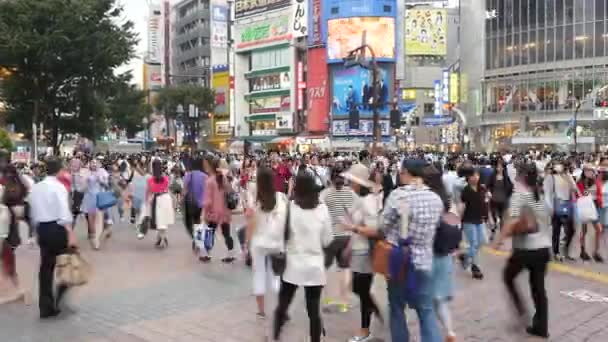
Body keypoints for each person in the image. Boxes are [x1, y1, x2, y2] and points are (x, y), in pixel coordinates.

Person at [382, 159, 443, 342]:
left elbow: (383, 226)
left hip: (400, 260)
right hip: (424, 260)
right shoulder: (435, 198)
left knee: (397, 308)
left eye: (401, 172)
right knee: (425, 309)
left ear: (407, 172)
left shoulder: (398, 196)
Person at [273, 172, 333, 342]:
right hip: (314, 267)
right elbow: (327, 239)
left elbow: (280, 234)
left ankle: (275, 335)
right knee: (313, 311)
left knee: (283, 306)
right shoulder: (322, 209)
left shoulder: (290, 208)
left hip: (293, 265)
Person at [495, 162, 551, 339]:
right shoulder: (541, 195)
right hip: (543, 249)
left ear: (521, 177)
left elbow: (511, 221)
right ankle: (541, 327)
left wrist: (499, 240)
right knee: (538, 288)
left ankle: (521, 313)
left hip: (525, 250)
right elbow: (550, 215)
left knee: (508, 277)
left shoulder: (520, 196)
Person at [340, 163, 383, 342]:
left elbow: (374, 230)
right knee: (359, 288)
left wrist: (352, 227)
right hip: (358, 251)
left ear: (359, 183)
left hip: (366, 252)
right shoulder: (361, 200)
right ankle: (372, 311)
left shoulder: (368, 202)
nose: (349, 184)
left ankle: (365, 330)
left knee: (361, 289)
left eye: (351, 181)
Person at [29, 157, 77, 318]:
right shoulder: (59, 187)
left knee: (46, 268)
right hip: (57, 227)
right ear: (59, 170)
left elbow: (33, 212)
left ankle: (45, 306)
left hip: (42, 228)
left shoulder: (36, 188)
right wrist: (70, 232)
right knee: (69, 263)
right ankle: (60, 298)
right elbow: (64, 213)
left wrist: (36, 231)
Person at [245, 166, 286, 319]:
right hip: (276, 242)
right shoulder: (281, 197)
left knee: (259, 275)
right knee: (276, 277)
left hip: (258, 243)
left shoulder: (255, 201)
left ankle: (261, 310)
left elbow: (250, 225)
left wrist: (245, 245)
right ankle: (281, 309)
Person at [321, 165, 355, 313]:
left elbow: (319, 214)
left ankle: (329, 299)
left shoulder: (325, 194)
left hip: (330, 236)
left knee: (328, 268)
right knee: (345, 269)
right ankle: (344, 302)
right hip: (347, 236)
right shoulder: (351, 193)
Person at [202, 156, 235, 263]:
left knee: (209, 233)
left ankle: (207, 255)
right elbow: (230, 192)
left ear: (212, 167)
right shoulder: (224, 179)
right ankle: (230, 254)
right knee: (227, 233)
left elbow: (208, 200)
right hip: (225, 212)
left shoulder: (210, 181)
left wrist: (205, 213)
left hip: (213, 213)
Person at [543, 160, 578, 261]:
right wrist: (550, 208)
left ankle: (565, 249)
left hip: (568, 205)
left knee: (571, 230)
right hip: (556, 205)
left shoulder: (567, 176)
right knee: (556, 231)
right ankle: (556, 252)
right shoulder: (551, 177)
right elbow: (547, 194)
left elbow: (574, 188)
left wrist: (568, 177)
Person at [459, 169, 486, 279]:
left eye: (477, 175)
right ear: (468, 178)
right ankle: (475, 267)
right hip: (468, 220)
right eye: (472, 176)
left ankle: (466, 257)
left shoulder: (482, 188)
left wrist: (485, 216)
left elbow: (484, 202)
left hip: (479, 220)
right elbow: (462, 206)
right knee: (474, 243)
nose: (475, 177)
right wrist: (459, 222)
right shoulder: (466, 190)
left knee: (482, 241)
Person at [576, 164, 604, 262]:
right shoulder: (580, 182)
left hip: (594, 209)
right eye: (586, 170)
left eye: (590, 170)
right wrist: (584, 193)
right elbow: (577, 195)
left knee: (599, 229)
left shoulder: (596, 182)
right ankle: (582, 251)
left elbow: (599, 194)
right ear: (583, 172)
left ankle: (595, 252)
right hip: (584, 209)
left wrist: (598, 201)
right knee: (584, 231)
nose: (588, 172)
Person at [81, 159, 109, 250]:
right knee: (91, 220)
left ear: (99, 164)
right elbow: (82, 188)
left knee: (99, 219)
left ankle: (97, 239)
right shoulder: (86, 172)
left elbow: (107, 185)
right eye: (92, 162)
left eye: (96, 163)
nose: (94, 164)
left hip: (99, 198)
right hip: (89, 198)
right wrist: (86, 181)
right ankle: (93, 238)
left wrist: (101, 181)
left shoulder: (102, 172)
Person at [145, 159, 175, 248]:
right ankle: (160, 238)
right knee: (163, 220)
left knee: (159, 220)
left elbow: (148, 192)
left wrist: (146, 201)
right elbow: (168, 188)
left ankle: (162, 238)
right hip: (166, 198)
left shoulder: (150, 180)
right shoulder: (165, 178)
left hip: (157, 200)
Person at [183, 157, 207, 250]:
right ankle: (198, 239)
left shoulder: (189, 175)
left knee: (192, 222)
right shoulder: (205, 176)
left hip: (191, 202)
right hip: (202, 203)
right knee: (199, 221)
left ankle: (195, 238)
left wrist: (182, 198)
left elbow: (184, 189)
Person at [488, 159, 513, 240]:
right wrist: (489, 192)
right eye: (497, 167)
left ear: (503, 168)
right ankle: (493, 232)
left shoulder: (506, 177)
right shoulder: (492, 176)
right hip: (494, 200)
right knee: (494, 217)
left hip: (503, 200)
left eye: (500, 167)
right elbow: (488, 185)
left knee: (502, 218)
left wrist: (507, 195)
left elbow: (510, 187)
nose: (498, 168)